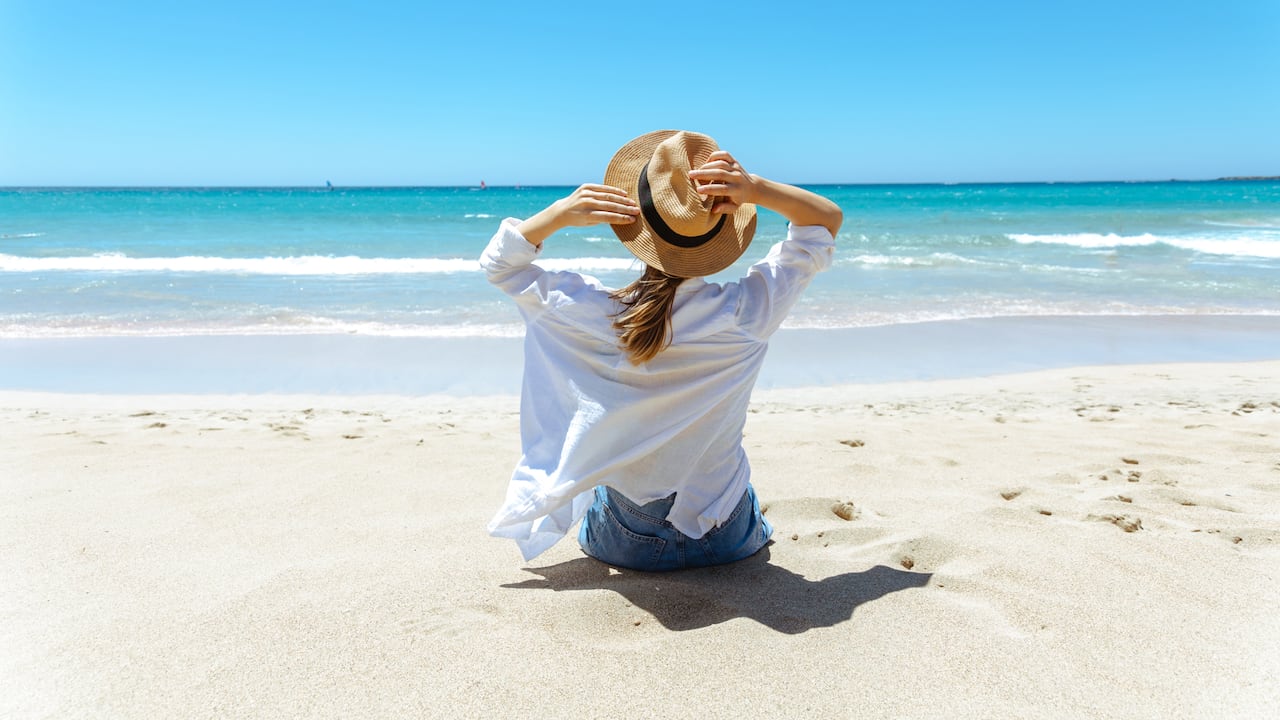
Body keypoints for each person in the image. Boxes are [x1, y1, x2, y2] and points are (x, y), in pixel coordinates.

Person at [480, 130, 842, 571]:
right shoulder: (746, 314)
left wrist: (559, 214)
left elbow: (500, 265)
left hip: (623, 542)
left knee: (614, 478)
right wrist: (756, 189)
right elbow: (823, 222)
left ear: (632, 226)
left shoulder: (586, 311)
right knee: (733, 483)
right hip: (724, 540)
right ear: (722, 232)